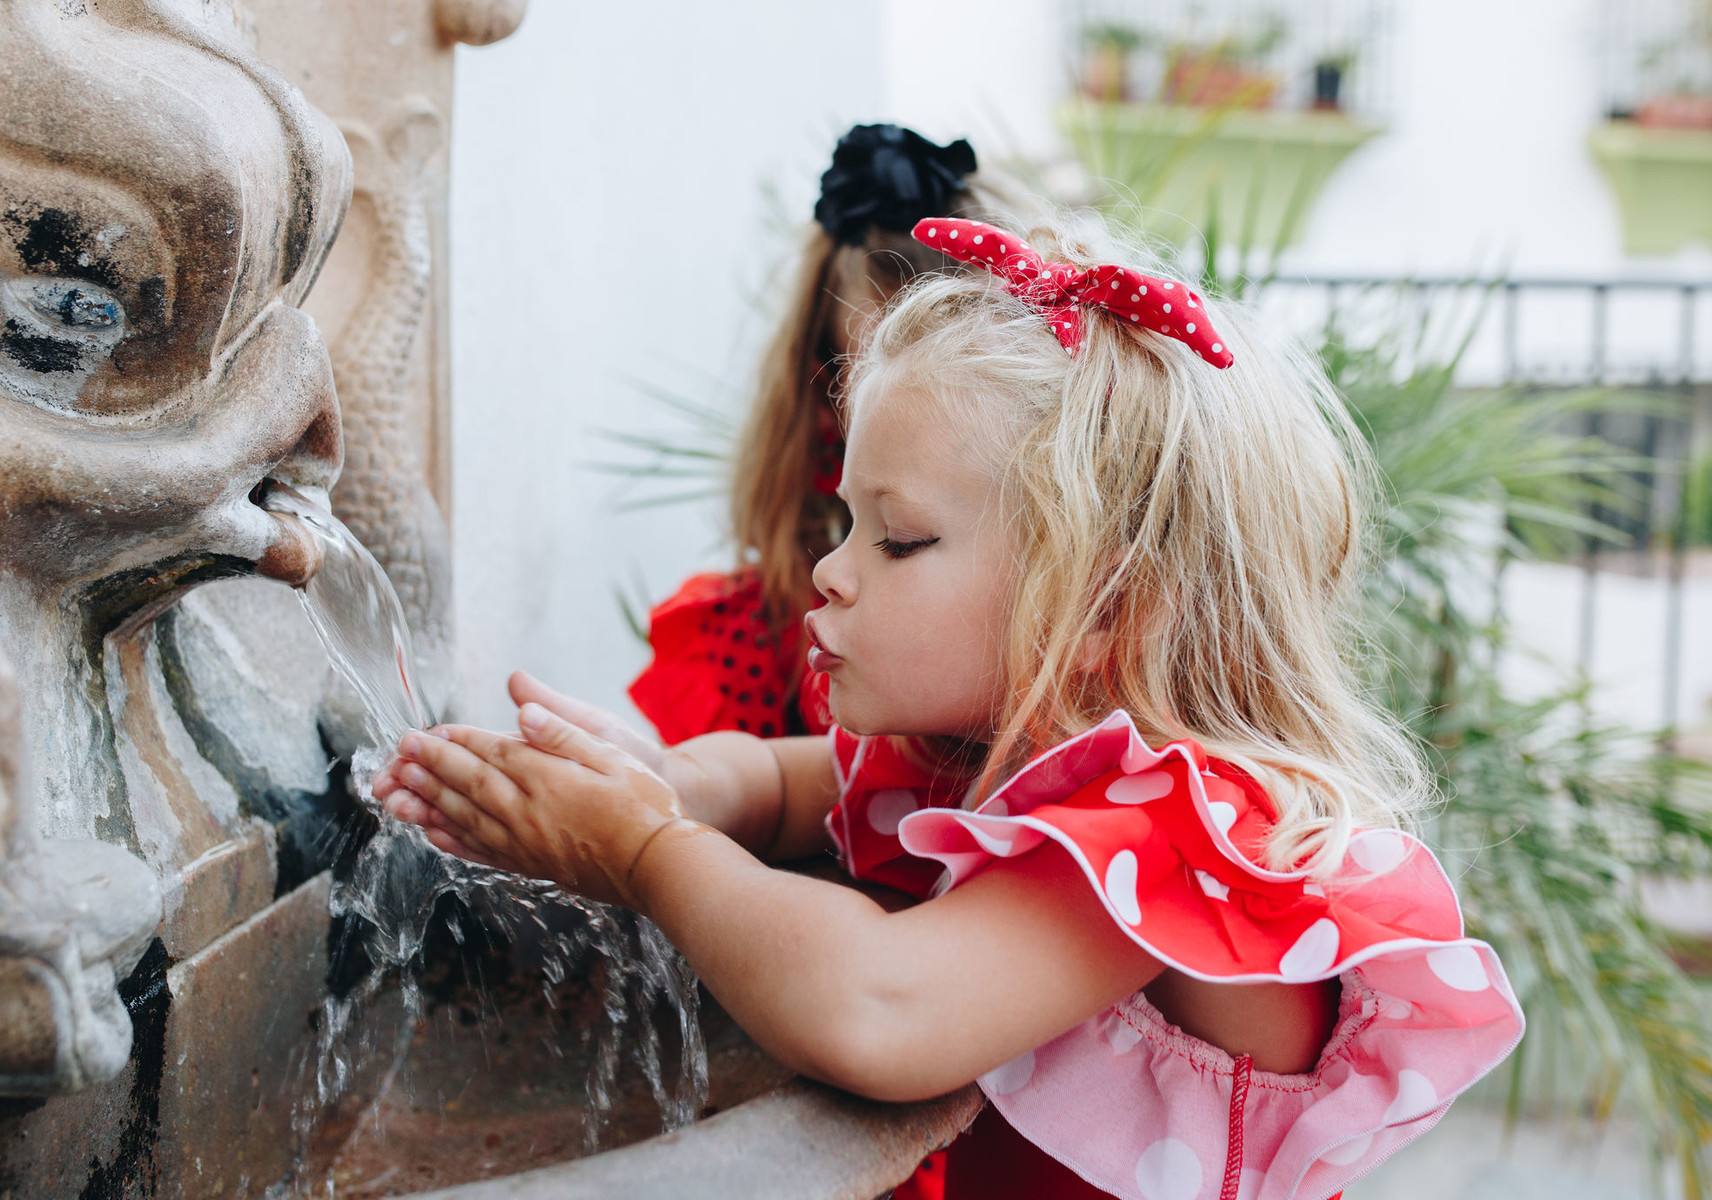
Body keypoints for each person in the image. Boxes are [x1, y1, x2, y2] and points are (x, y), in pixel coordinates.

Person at [373, 209, 1525, 1200]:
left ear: (1105, 610)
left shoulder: (1175, 838)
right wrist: (668, 780)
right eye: (846, 524)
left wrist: (644, 850)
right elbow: (784, 784)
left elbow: (877, 1009)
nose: (835, 570)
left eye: (901, 537)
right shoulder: (993, 756)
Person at [628, 123, 1016, 746]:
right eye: (870, 383)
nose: (835, 575)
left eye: (902, 541)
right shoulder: (756, 648)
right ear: (824, 388)